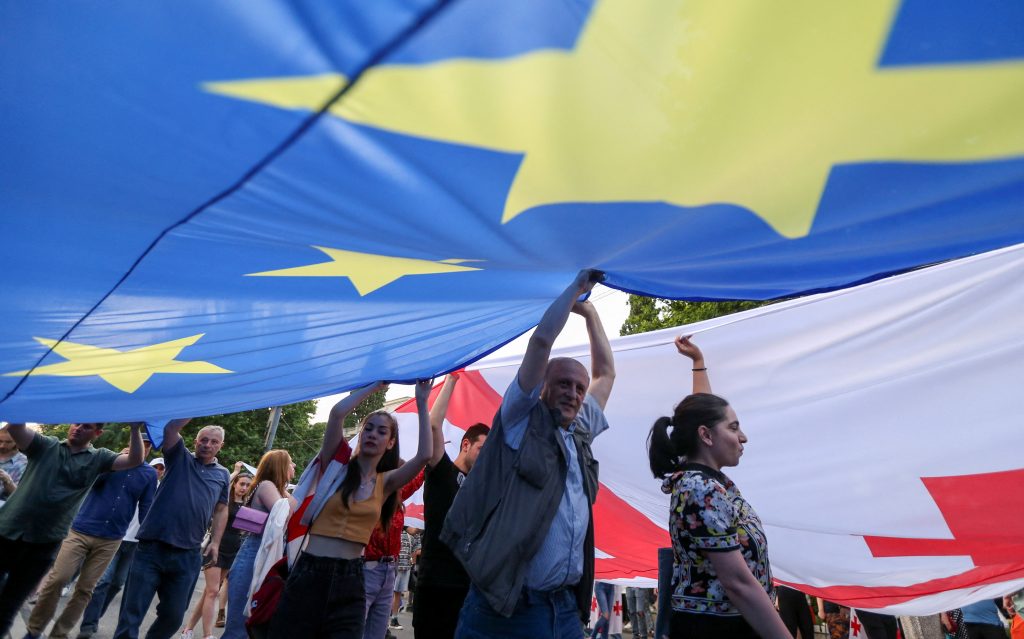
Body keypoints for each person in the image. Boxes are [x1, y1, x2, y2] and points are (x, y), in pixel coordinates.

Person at [442, 269, 615, 639]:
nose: (573, 393)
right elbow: (541, 343)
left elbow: (606, 374)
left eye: (579, 388)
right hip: (509, 608)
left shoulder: (579, 434)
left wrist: (591, 314)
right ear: (541, 389)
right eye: (563, 384)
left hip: (565, 610)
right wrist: (575, 291)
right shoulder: (520, 421)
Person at [646, 337, 789, 639]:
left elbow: (703, 414)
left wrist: (698, 363)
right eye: (734, 428)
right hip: (718, 630)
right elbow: (737, 581)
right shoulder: (701, 490)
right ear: (706, 437)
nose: (743, 437)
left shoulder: (702, 478)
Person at [268, 378, 433, 638]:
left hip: (352, 577)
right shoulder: (335, 469)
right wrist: (377, 385)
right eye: (369, 428)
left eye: (381, 432)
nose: (372, 434)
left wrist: (422, 401)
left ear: (390, 443)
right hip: (311, 571)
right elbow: (337, 413)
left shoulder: (386, 482)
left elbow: (425, 455)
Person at [0, 422, 145, 638]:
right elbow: (15, 428)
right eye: (76, 423)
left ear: (97, 433)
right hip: (8, 530)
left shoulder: (99, 458)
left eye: (86, 427)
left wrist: (134, 429)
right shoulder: (45, 445)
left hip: (45, 541)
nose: (78, 428)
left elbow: (134, 460)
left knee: (10, 602)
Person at [26, 437, 158, 639]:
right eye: (139, 442)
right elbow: (90, 482)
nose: (143, 447)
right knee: (58, 579)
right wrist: (114, 464)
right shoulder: (110, 461)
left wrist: (148, 537)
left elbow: (146, 506)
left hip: (111, 538)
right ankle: (34, 630)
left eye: (147, 444)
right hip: (80, 530)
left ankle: (59, 634)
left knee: (85, 589)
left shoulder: (148, 474)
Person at [113, 420, 230, 639]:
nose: (207, 445)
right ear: (195, 442)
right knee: (132, 613)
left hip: (188, 555)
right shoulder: (179, 458)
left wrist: (215, 542)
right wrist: (199, 403)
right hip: (152, 547)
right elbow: (170, 430)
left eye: (214, 442)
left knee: (174, 616)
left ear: (220, 446)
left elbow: (221, 510)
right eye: (203, 440)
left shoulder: (223, 474)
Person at [412, 373, 490, 639]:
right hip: (435, 585)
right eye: (483, 449)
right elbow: (433, 425)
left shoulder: (481, 489)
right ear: (466, 444)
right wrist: (452, 381)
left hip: (467, 588)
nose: (486, 458)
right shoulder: (442, 470)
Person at [78, 458, 166, 639]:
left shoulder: (160, 491)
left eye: (161, 468)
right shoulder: (138, 479)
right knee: (103, 581)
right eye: (155, 467)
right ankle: (89, 623)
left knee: (117, 583)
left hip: (135, 544)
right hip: (117, 537)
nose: (158, 470)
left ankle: (96, 615)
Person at [220, 450, 296, 639]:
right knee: (239, 627)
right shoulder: (266, 486)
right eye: (290, 463)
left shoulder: (276, 489)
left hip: (261, 556)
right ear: (280, 466)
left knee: (251, 625)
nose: (294, 466)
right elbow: (284, 514)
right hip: (254, 555)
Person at [181, 465, 253, 639]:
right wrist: (235, 471)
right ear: (235, 484)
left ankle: (188, 629)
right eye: (241, 484)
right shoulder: (224, 500)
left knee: (209, 592)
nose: (244, 488)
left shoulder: (247, 503)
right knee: (213, 591)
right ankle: (208, 635)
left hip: (233, 550)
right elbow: (223, 483)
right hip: (215, 546)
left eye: (247, 485)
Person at [363, 468, 425, 639]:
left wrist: (428, 462)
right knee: (358, 626)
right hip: (368, 568)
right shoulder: (370, 493)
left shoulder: (397, 495)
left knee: (378, 629)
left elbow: (416, 480)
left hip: (390, 569)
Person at [392, 526, 420, 628]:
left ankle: (394, 619)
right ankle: (387, 622)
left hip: (406, 566)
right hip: (394, 564)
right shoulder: (399, 526)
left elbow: (417, 550)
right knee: (390, 593)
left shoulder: (416, 534)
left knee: (398, 593)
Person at [0, 425, 28, 504]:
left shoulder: (23, 462)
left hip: (5, 506)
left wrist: (7, 480)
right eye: (0, 441)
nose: (2, 446)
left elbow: (20, 497)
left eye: (8, 442)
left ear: (16, 442)